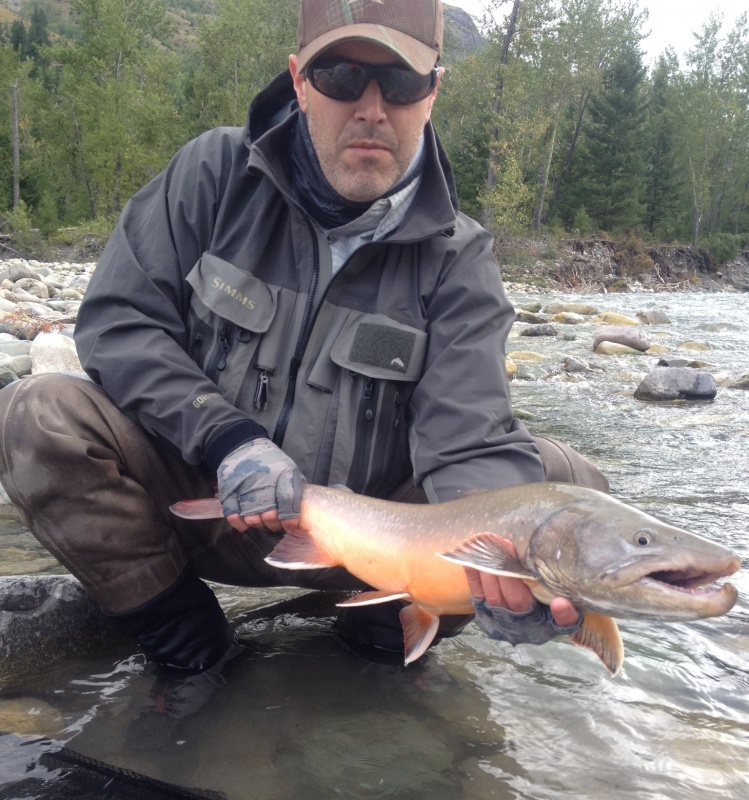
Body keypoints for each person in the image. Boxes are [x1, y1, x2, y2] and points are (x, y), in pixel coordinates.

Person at [0, 0, 607, 676]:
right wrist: (227, 437)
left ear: (431, 93)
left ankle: (377, 644)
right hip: (208, 510)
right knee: (39, 414)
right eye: (343, 76)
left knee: (557, 486)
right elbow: (119, 321)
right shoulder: (211, 175)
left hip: (371, 548)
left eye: (400, 83)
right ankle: (187, 644)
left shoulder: (458, 260)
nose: (372, 108)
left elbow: (468, 439)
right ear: (299, 81)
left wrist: (516, 553)